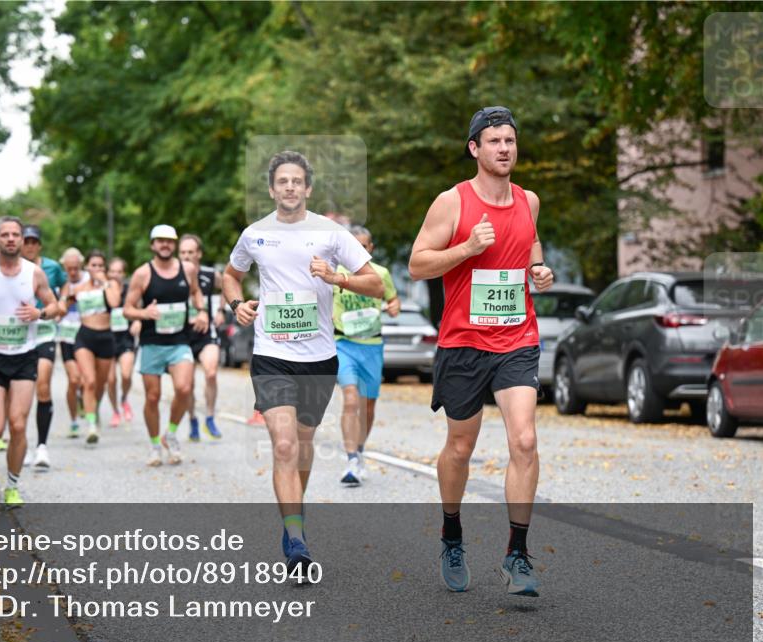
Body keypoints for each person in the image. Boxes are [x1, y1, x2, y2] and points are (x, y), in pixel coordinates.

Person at [408, 106, 554, 597]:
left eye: (510, 140)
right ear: (475, 148)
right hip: (464, 342)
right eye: (494, 141)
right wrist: (467, 248)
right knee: (460, 447)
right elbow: (417, 265)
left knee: (525, 441)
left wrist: (539, 271)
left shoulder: (529, 201)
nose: (504, 149)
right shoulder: (452, 202)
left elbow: (531, 250)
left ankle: (518, 553)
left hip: (517, 338)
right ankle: (452, 533)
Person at [223, 151, 384, 575]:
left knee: (304, 443)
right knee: (283, 444)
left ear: (307, 189)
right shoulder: (255, 234)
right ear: (272, 188)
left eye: (298, 181)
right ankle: (295, 539)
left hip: (319, 357)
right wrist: (236, 304)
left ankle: (295, 514)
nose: (290, 187)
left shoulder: (332, 234)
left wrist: (336, 277)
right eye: (283, 181)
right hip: (272, 355)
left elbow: (375, 284)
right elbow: (229, 275)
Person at [0, 215, 62, 508]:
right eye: (5, 234)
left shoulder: (34, 274)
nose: (11, 239)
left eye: (16, 234)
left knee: (18, 425)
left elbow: (55, 306)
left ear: (21, 239)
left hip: (24, 356)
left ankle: (12, 486)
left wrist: (39, 313)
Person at [124, 224, 209, 466]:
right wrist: (143, 313)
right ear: (152, 245)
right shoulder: (143, 274)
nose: (165, 245)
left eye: (169, 241)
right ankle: (153, 446)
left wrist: (201, 311)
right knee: (153, 397)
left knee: (184, 388)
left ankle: (170, 434)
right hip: (152, 343)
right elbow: (127, 309)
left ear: (174, 244)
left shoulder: (188, 269)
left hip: (179, 341)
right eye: (160, 241)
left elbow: (195, 292)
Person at [332, 225, 400, 486]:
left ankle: (359, 450)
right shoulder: (336, 273)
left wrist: (394, 307)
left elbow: (393, 300)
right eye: (354, 246)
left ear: (370, 249)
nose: (359, 250)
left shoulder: (380, 274)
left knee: (368, 405)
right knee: (350, 398)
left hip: (372, 346)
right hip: (343, 344)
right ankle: (350, 459)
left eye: (364, 246)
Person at [59, 250, 122, 444]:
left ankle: (93, 410)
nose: (96, 269)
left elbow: (114, 302)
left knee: (101, 384)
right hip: (84, 336)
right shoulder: (78, 288)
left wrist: (104, 282)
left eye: (100, 266)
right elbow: (62, 307)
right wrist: (58, 307)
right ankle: (91, 425)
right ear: (87, 267)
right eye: (93, 265)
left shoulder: (110, 285)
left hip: (105, 337)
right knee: (89, 381)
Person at [19, 225, 68, 466]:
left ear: (39, 245)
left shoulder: (51, 267)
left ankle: (42, 447)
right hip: (19, 336)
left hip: (45, 332)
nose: (29, 245)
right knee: (21, 394)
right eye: (25, 241)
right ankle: (23, 444)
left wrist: (62, 303)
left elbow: (65, 285)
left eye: (33, 241)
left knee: (43, 386)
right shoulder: (12, 269)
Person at [178, 234, 225, 442]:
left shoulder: (209, 274)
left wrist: (222, 309)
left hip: (206, 333)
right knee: (187, 384)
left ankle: (210, 417)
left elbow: (228, 284)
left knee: (211, 372)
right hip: (182, 335)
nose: (187, 256)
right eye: (183, 252)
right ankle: (192, 421)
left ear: (199, 254)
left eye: (190, 252)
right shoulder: (172, 274)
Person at [56, 248, 89, 439]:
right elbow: (59, 313)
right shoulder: (64, 286)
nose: (73, 272)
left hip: (85, 336)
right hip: (67, 337)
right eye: (69, 269)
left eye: (75, 268)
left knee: (86, 380)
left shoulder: (89, 282)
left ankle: (85, 401)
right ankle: (74, 421)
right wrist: (67, 299)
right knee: (74, 379)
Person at [105, 257, 139, 426]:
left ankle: (124, 398)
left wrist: (139, 321)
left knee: (126, 375)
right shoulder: (104, 291)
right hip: (107, 338)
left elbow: (138, 308)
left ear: (124, 273)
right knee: (110, 380)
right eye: (112, 271)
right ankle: (115, 411)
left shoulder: (129, 289)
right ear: (107, 273)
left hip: (126, 337)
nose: (115, 275)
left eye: (119, 272)